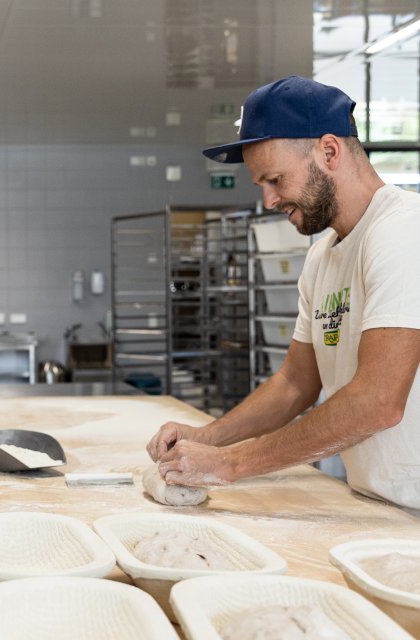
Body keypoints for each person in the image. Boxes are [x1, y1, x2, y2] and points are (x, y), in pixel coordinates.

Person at [147, 76, 420, 510]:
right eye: (261, 185)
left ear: (329, 151)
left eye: (275, 179)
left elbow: (379, 401)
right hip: (380, 506)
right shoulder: (321, 258)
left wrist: (229, 463)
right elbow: (295, 383)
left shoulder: (403, 230)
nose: (270, 200)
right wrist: (208, 437)